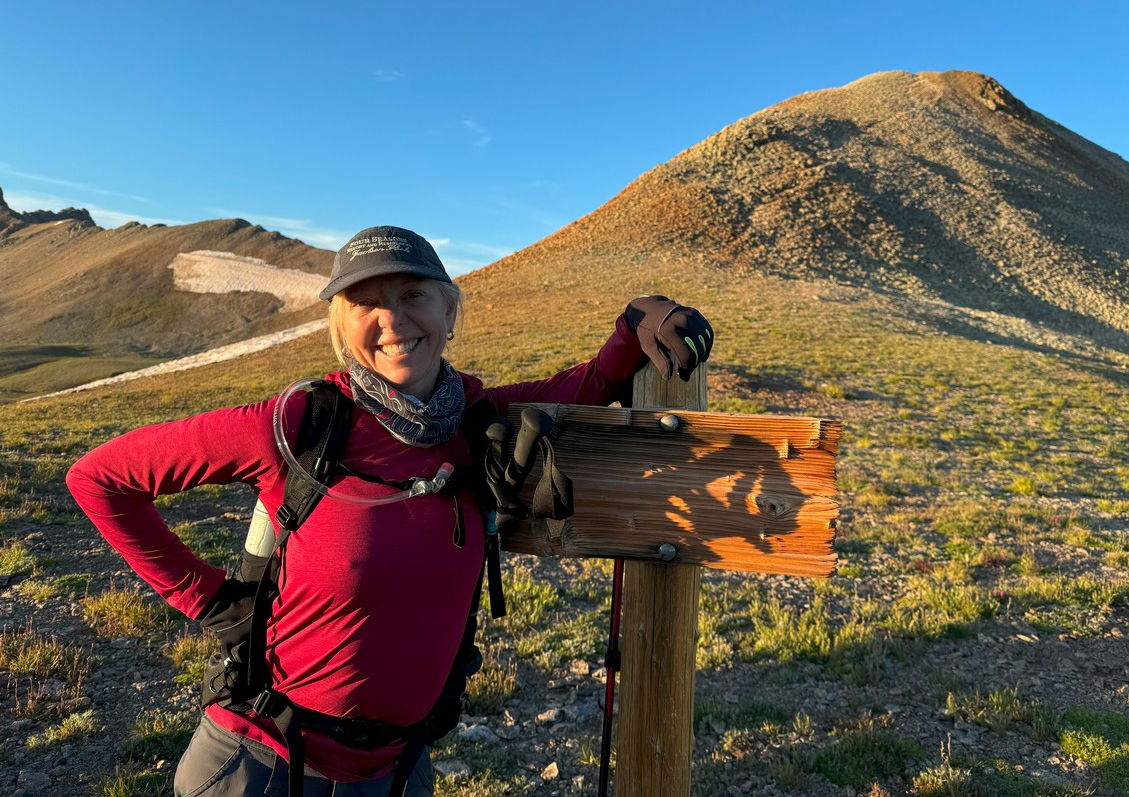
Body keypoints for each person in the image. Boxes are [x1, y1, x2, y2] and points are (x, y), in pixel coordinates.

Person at [67, 225, 714, 797]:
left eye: (412, 295)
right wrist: (208, 601)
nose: (392, 319)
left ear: (449, 309)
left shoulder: (478, 421)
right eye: (365, 302)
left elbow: (591, 385)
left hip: (398, 771)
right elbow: (100, 479)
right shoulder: (297, 424)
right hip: (260, 764)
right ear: (340, 324)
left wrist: (639, 320)